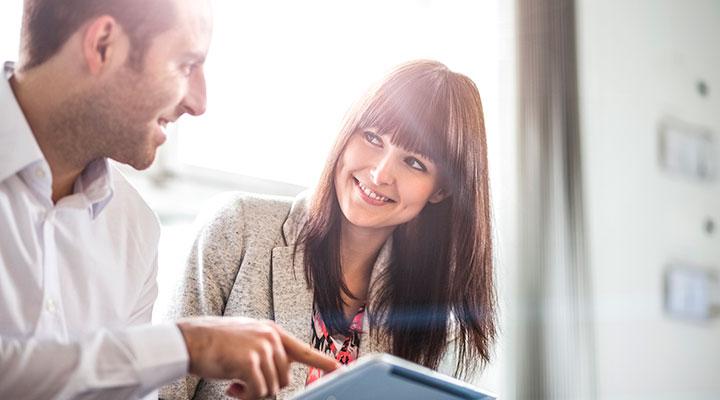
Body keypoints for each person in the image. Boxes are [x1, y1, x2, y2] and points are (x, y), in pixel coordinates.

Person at [0, 1, 338, 399]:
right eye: (186, 65)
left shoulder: (134, 227)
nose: (199, 103)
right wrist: (187, 346)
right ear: (103, 45)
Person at [161, 60, 498, 400]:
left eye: (414, 162)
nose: (380, 174)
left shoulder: (435, 320)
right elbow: (161, 389)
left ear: (441, 190)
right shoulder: (238, 227)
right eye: (372, 137)